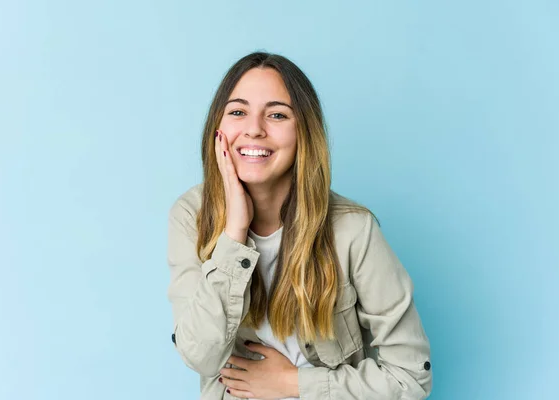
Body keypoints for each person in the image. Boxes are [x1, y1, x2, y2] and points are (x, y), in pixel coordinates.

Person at [166, 51, 432, 400]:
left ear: (303, 131)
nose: (254, 129)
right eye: (238, 112)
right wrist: (234, 232)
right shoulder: (192, 217)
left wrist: (293, 383)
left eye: (277, 114)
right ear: (218, 128)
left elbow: (411, 377)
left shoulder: (353, 230)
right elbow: (200, 355)